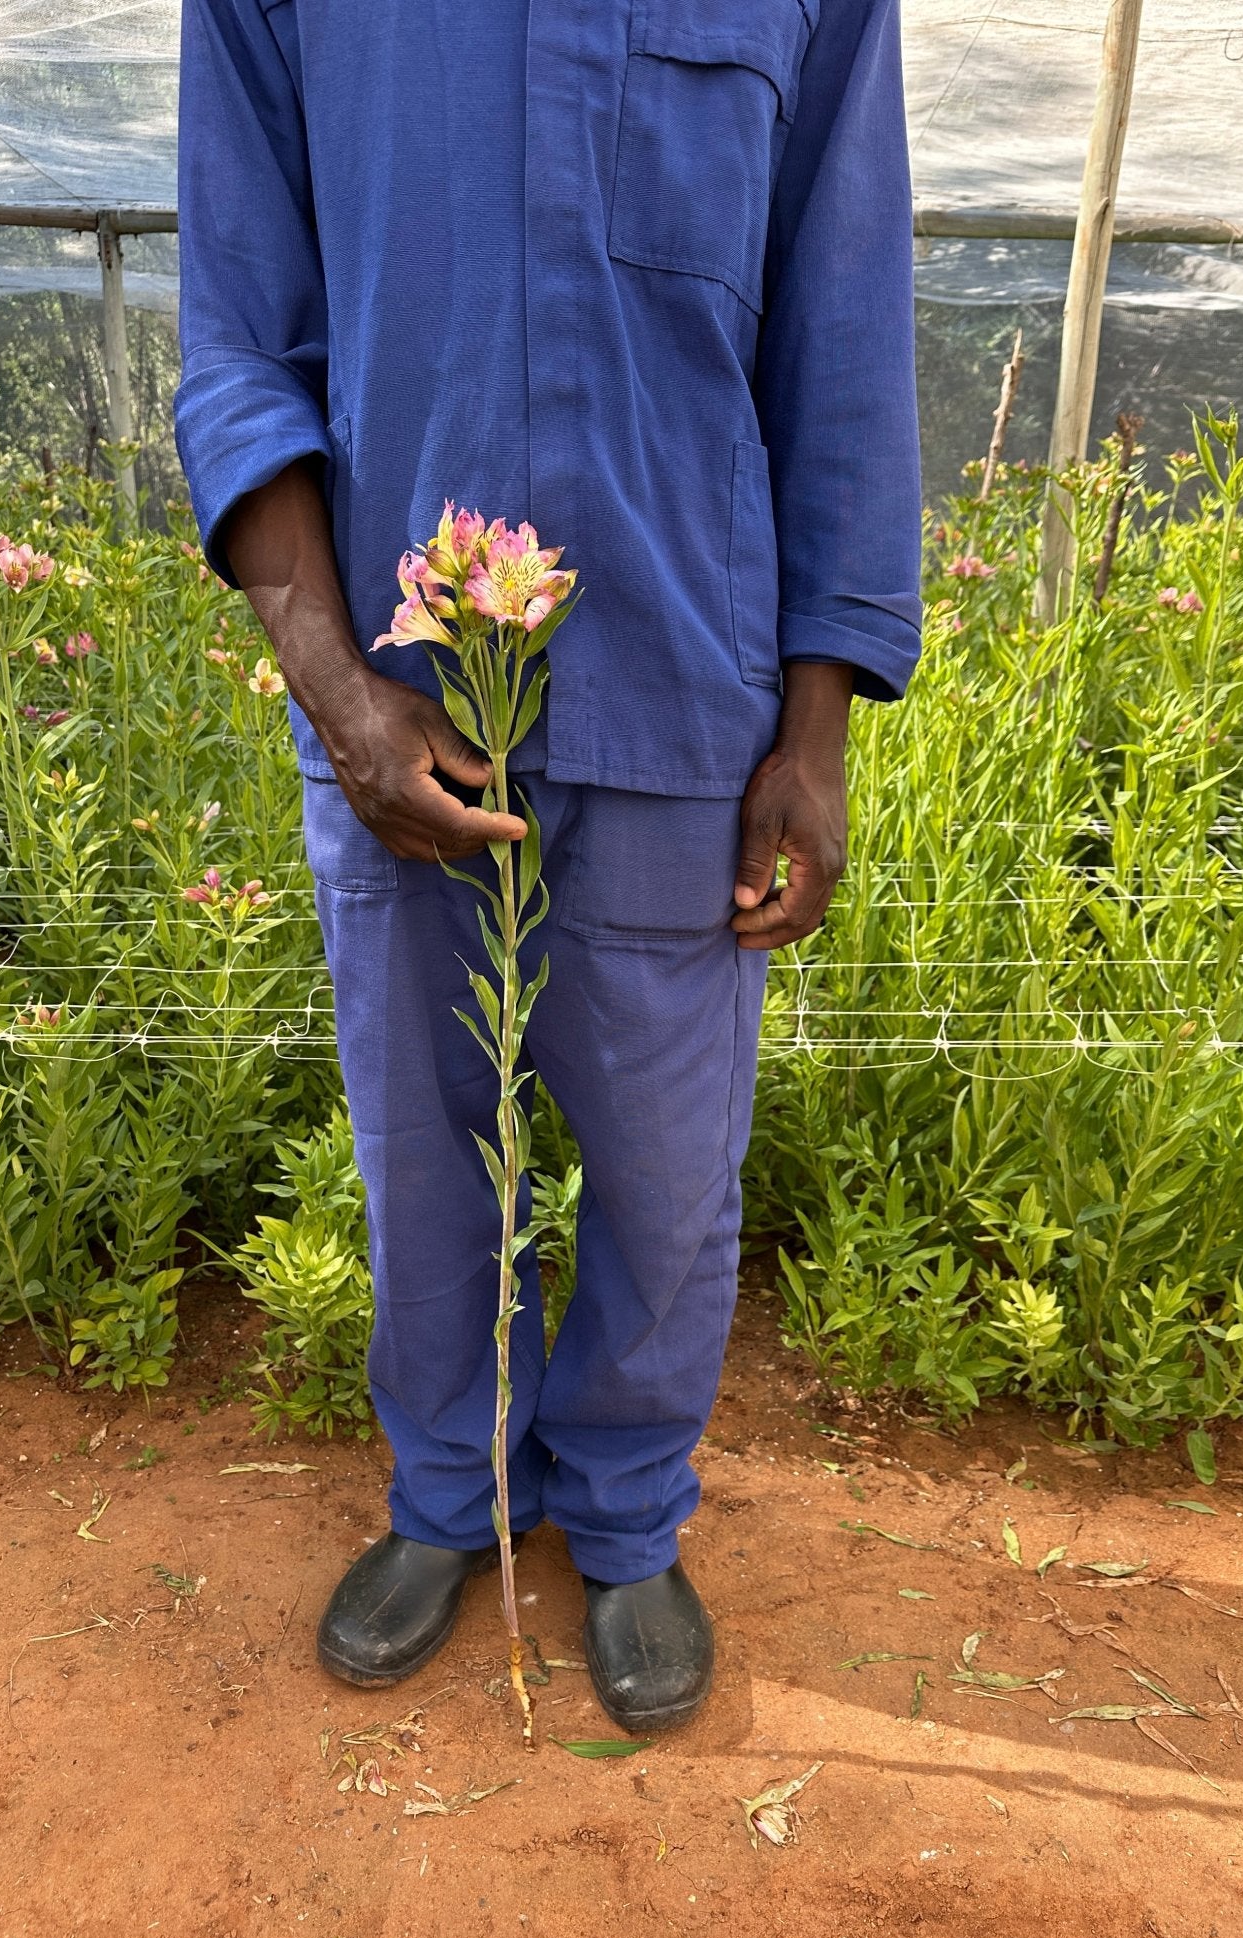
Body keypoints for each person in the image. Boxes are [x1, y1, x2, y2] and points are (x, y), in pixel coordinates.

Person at [174, 0, 921, 1731]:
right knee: (425, 1159)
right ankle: (454, 1497)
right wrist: (337, 692)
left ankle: (631, 1514)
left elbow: (843, 323)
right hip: (405, 713)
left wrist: (815, 729)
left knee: (670, 1174)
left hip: (686, 692)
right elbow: (238, 336)